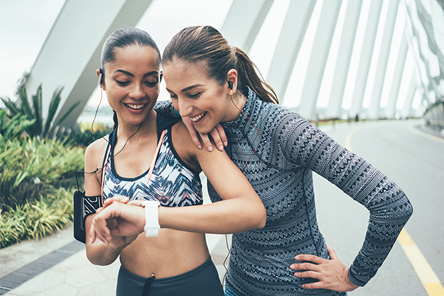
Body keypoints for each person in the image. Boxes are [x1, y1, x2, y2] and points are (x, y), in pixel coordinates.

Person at [93, 25, 413, 295]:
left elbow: (391, 203)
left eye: (193, 94)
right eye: (174, 95)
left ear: (230, 82)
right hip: (237, 287)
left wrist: (353, 277)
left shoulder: (285, 130)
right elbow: (134, 113)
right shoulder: (188, 119)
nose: (182, 109)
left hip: (301, 289)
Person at [84, 27, 266, 296]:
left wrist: (150, 217)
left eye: (149, 81)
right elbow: (94, 251)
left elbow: (250, 211)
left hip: (192, 286)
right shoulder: (96, 155)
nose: (137, 93)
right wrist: (114, 242)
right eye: (123, 81)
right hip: (130, 287)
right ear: (102, 80)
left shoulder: (184, 135)